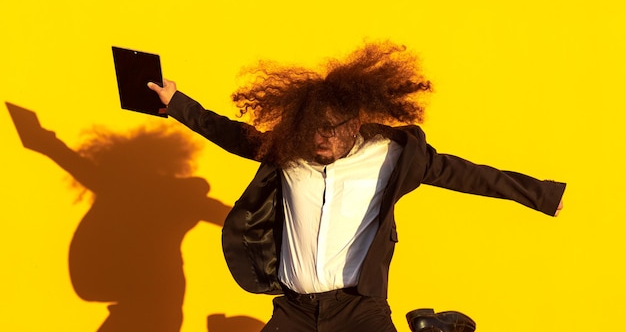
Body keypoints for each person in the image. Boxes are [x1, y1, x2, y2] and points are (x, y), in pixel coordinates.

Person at [148, 41, 565, 332]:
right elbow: (229, 133)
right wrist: (179, 103)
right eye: (312, 131)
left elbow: (468, 174)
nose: (319, 140)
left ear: (354, 124)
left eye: (330, 131)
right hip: (293, 311)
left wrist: (544, 195)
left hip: (358, 310)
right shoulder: (290, 148)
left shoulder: (390, 155)